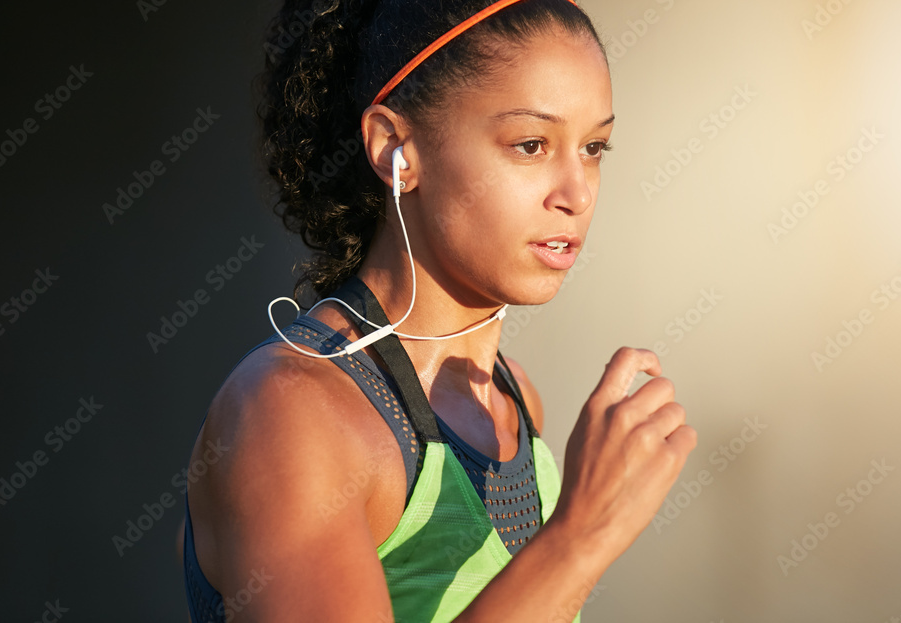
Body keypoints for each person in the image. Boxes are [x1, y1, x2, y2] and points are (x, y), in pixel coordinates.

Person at [179, 0, 697, 621]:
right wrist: (580, 536)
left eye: (593, 148)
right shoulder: (290, 411)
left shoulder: (512, 400)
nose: (576, 193)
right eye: (531, 144)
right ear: (396, 149)